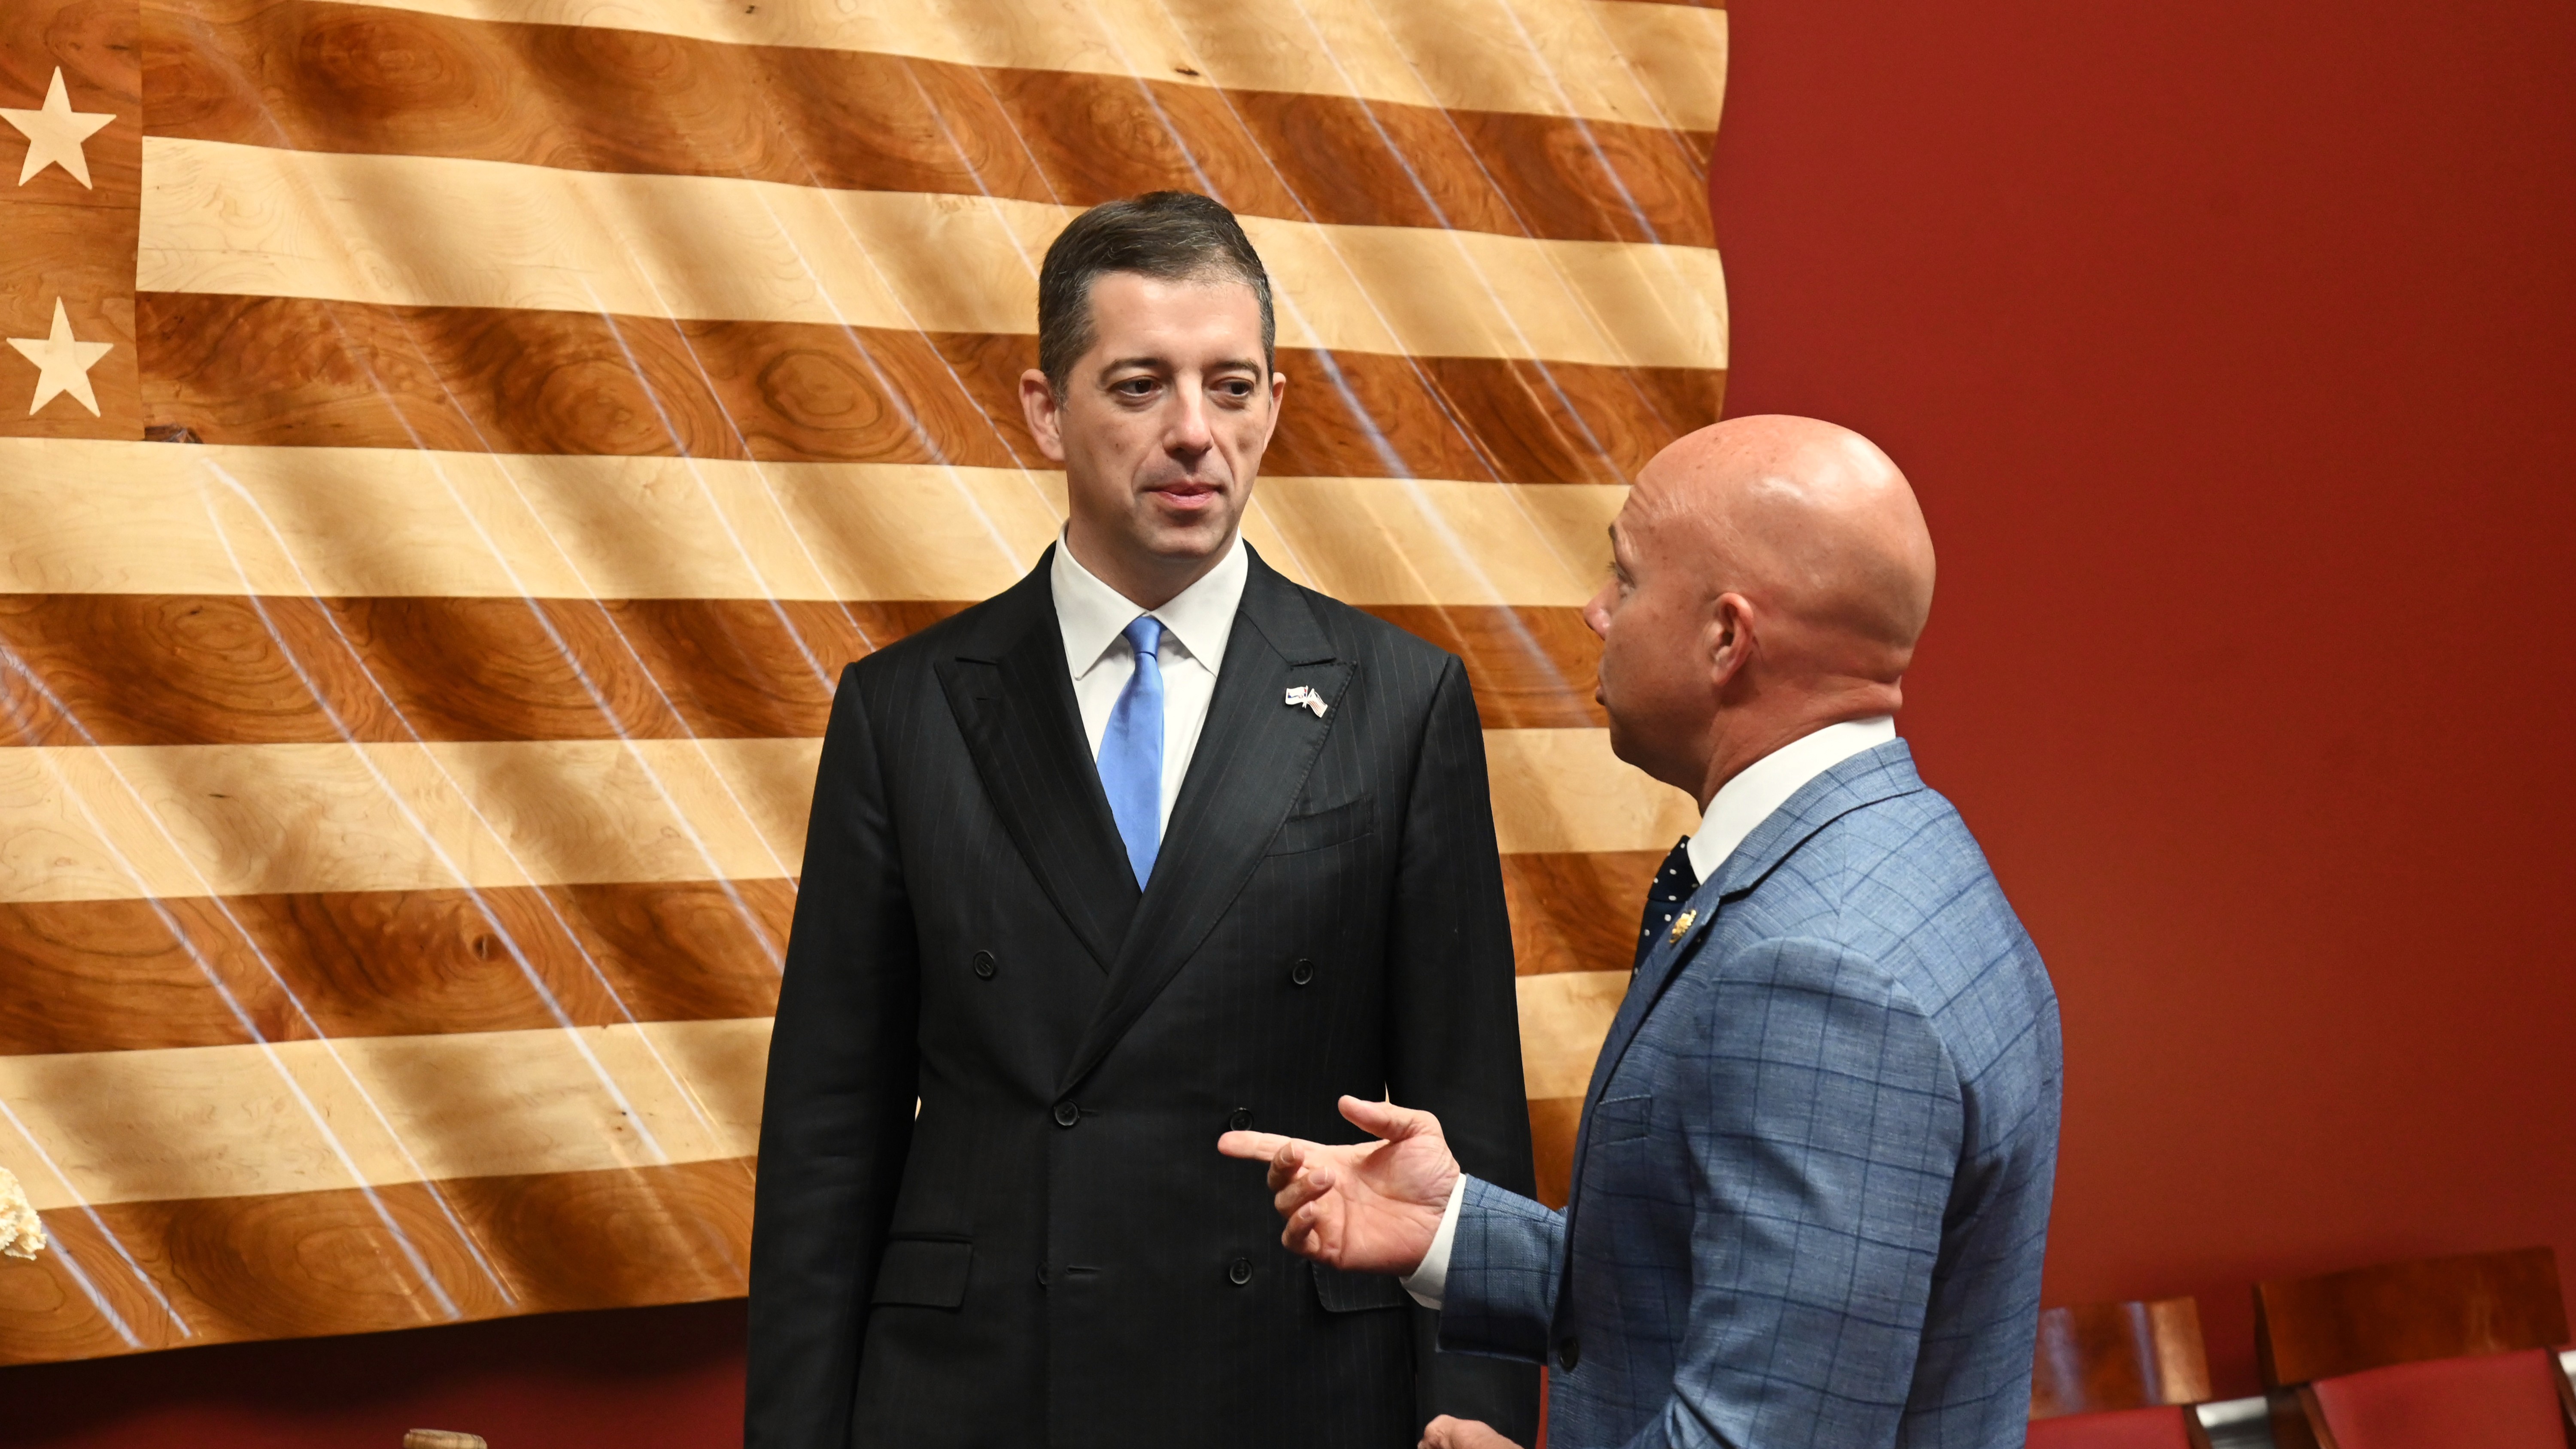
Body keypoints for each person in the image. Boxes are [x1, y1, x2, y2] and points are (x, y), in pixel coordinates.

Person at [746, 192, 1539, 1449]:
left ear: (1273, 404)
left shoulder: (1399, 700)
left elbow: (1467, 1110)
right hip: (985, 1389)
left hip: (1289, 1383)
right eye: (1139, 386)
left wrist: (1476, 1412)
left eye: (1231, 387)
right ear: (1045, 408)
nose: (1194, 434)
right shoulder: (907, 709)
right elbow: (827, 1138)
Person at [1222, 416, 2063, 1449]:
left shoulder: (1821, 978)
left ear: (1726, 638)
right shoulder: (1912, 852)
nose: (1595, 610)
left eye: (1624, 577)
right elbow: (1729, 1299)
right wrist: (1452, 1229)